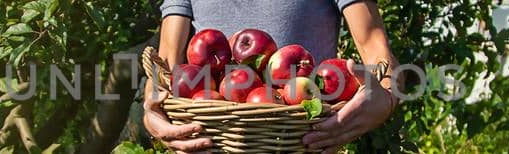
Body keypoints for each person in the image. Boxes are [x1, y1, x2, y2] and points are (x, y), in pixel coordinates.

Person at [141, 0, 400, 153]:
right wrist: (153, 113)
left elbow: (377, 50)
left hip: (300, 141)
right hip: (213, 141)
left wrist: (387, 96)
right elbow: (164, 66)